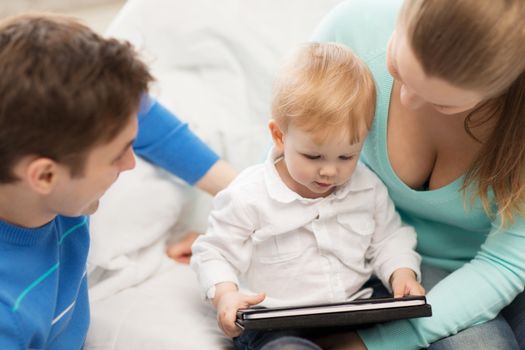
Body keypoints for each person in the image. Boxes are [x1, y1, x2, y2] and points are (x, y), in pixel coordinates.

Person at [0, 14, 235, 349]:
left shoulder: (47, 186)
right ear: (46, 175)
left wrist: (246, 201)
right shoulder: (8, 314)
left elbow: (143, 116)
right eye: (118, 155)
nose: (131, 163)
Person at [303, 0, 525, 349]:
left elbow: (504, 264)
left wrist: (374, 342)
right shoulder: (352, 30)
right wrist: (237, 234)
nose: (405, 99)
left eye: (443, 103)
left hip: (485, 273)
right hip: (369, 258)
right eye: (397, 68)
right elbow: (288, 147)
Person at [190, 42, 425, 350]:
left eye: (346, 157)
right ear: (279, 136)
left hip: (357, 305)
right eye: (313, 157)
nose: (330, 172)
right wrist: (226, 294)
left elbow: (389, 238)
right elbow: (214, 252)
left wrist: (402, 273)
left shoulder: (366, 186)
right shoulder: (248, 196)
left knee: (413, 329)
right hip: (277, 320)